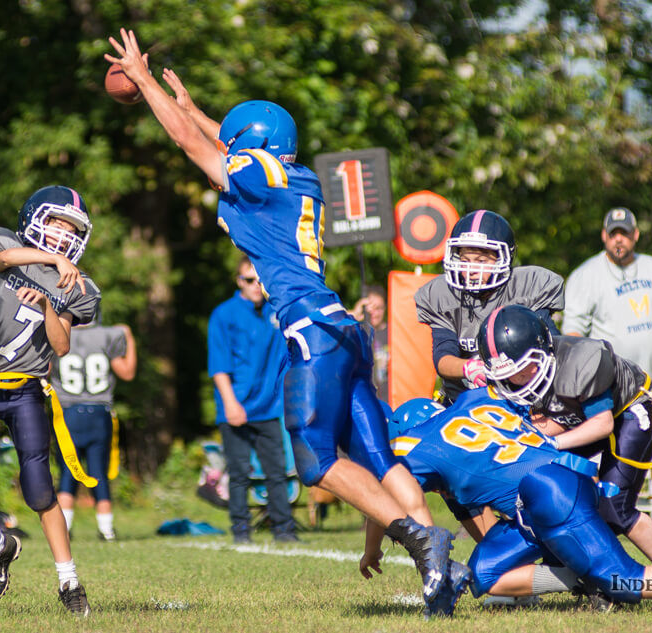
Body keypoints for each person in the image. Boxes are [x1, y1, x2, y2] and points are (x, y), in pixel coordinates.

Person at [105, 29, 458, 612]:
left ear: (248, 147)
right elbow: (222, 142)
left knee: (316, 464)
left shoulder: (256, 177)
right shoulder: (297, 179)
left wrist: (144, 84)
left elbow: (198, 150)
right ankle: (438, 587)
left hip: (309, 329)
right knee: (381, 460)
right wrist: (194, 107)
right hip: (346, 330)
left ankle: (421, 537)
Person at [365, 392, 652, 613]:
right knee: (483, 574)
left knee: (624, 580)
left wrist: (371, 552)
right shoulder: (471, 400)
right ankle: (578, 575)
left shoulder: (409, 446)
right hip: (557, 484)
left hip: (549, 494)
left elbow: (383, 502)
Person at [0, 185, 99, 616]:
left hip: (27, 387)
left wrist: (51, 303)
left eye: (72, 230)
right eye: (57, 223)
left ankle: (68, 581)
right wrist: (51, 259)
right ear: (35, 218)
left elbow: (62, 346)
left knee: (39, 489)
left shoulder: (78, 286)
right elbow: (0, 261)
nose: (64, 235)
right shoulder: (1, 241)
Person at [480, 305, 652, 568]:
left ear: (542, 351)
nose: (517, 379)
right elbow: (552, 422)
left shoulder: (580, 361)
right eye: (508, 375)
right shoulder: (517, 381)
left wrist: (552, 443)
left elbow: (602, 423)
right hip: (582, 420)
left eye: (523, 368)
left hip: (628, 412)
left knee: (615, 509)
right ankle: (579, 577)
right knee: (552, 499)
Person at [561, 206, 652, 536]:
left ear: (635, 235)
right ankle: (590, 517)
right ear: (604, 236)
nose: (619, 239)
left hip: (651, 381)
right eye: (613, 233)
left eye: (625, 232)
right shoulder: (585, 276)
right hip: (609, 390)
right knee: (600, 455)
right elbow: (572, 336)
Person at [415, 210, 563, 405]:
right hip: (462, 404)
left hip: (524, 400)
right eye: (465, 261)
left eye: (481, 261)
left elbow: (553, 349)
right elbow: (443, 358)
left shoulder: (526, 287)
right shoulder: (444, 294)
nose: (471, 269)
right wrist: (471, 368)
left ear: (503, 259)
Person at [207, 255, 297, 543]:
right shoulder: (224, 314)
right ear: (238, 282)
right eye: (249, 280)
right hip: (236, 406)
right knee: (239, 474)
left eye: (261, 280)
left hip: (269, 407)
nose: (257, 286)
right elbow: (218, 365)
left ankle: (284, 531)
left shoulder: (277, 312)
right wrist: (230, 404)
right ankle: (241, 533)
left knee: (277, 472)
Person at [49, 311, 136, 542]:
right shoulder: (108, 335)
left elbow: (44, 370)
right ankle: (106, 529)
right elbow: (127, 372)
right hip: (99, 413)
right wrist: (130, 338)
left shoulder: (58, 334)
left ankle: (64, 528)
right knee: (99, 471)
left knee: (68, 472)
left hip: (68, 413)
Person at [352, 285, 389, 403]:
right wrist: (354, 314)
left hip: (390, 400)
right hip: (368, 401)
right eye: (371, 308)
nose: (375, 313)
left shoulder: (393, 333)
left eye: (379, 308)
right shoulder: (358, 332)